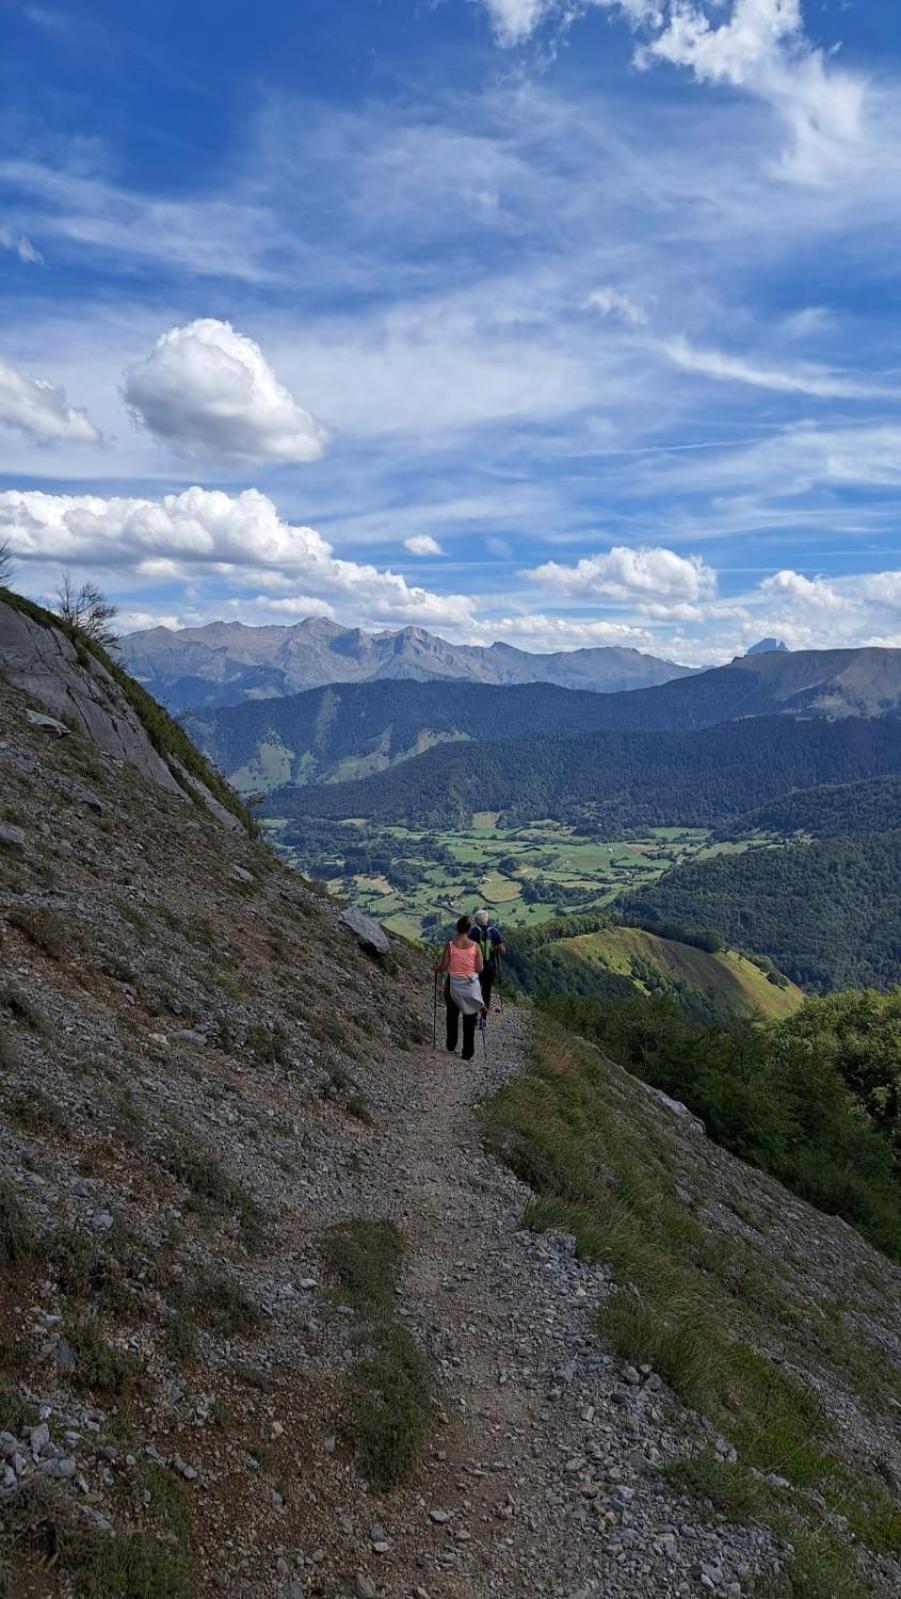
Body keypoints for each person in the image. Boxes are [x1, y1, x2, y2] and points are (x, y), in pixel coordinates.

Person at [436, 915, 486, 1060]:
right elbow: (480, 968)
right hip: (470, 986)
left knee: (452, 1015)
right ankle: (467, 1052)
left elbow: (444, 966)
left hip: (453, 985)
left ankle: (451, 1044)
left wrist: (436, 968)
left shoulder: (450, 945)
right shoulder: (475, 946)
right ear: (469, 929)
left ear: (457, 928)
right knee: (469, 1019)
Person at [469, 909, 506, 1010]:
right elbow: (503, 951)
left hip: (476, 968)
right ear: (487, 919)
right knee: (486, 991)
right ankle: (483, 1019)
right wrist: (496, 949)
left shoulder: (472, 932)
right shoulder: (494, 932)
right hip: (490, 967)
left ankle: (474, 1013)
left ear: (476, 920)